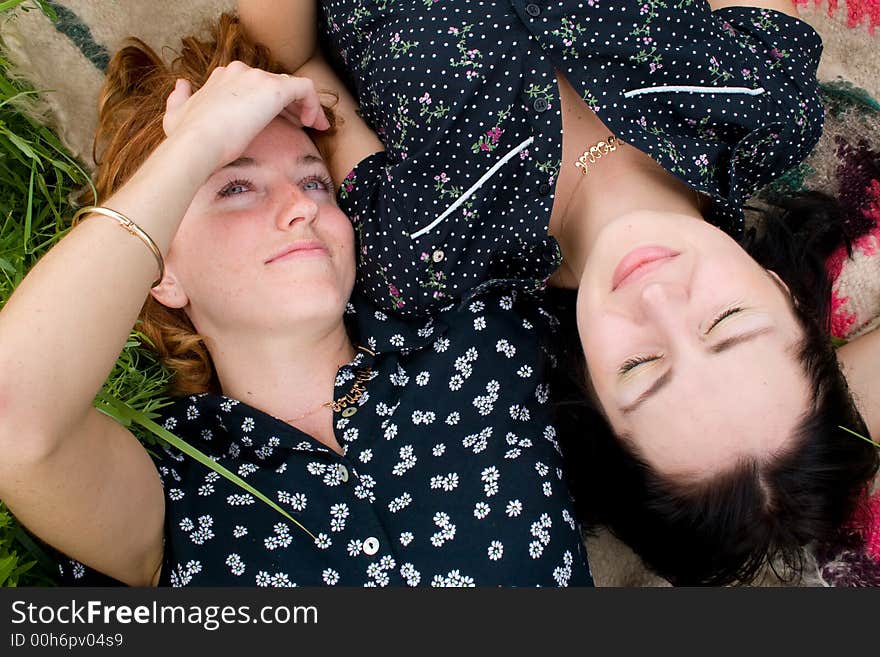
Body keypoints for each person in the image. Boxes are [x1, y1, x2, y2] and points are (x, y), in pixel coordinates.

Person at [237, 1, 880, 584]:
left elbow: (297, 63)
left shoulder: (426, 248)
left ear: (592, 393)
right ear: (781, 292)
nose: (658, 298)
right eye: (727, 321)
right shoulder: (763, 103)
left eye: (642, 367)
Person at [0, 16, 592, 587]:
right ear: (160, 273)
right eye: (234, 186)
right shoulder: (173, 489)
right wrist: (196, 144)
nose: (302, 205)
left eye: (314, 181)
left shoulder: (484, 331)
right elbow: (13, 417)